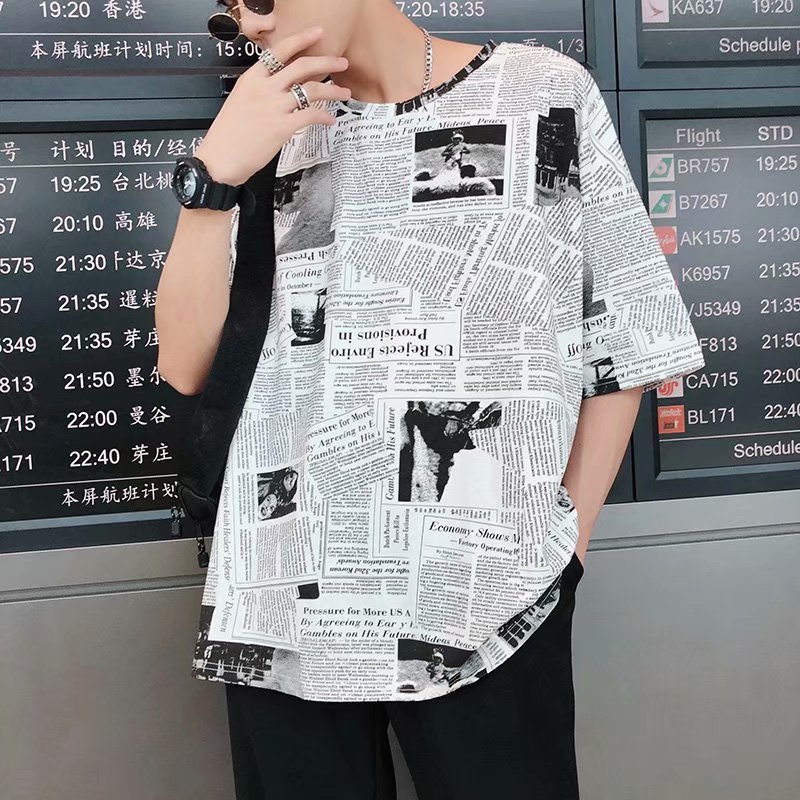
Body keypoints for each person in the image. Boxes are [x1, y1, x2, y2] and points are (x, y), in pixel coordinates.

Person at [155, 1, 705, 798]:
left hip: (491, 592)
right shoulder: (267, 129)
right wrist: (212, 176)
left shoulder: (542, 92)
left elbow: (627, 335)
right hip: (282, 590)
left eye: (264, 0)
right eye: (231, 9)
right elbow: (185, 366)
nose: (251, 24)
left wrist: (565, 548)